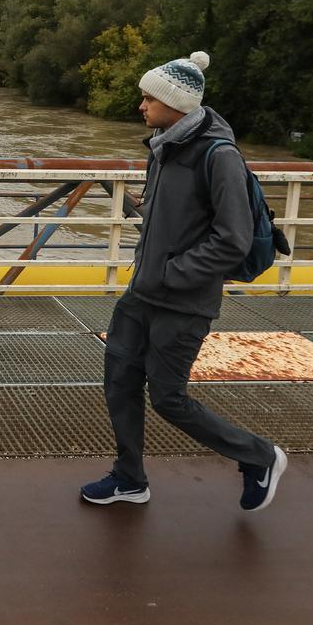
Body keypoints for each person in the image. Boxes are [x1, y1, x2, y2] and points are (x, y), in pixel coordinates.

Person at [79, 51, 287, 512]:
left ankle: (259, 457)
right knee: (119, 379)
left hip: (183, 299)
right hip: (142, 293)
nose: (141, 106)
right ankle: (130, 478)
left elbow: (232, 239)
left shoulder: (218, 155)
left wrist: (173, 273)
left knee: (168, 399)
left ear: (175, 102)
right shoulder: (163, 146)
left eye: (148, 98)